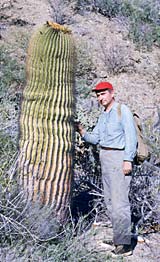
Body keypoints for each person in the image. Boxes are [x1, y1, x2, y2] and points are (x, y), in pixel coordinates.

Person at [76, 81, 137, 257]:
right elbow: (96, 138)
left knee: (120, 203)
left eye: (103, 94)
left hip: (119, 158)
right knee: (110, 201)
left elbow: (131, 137)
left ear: (111, 93)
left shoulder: (122, 110)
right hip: (106, 158)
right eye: (98, 95)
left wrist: (128, 160)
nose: (100, 98)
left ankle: (124, 246)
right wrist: (81, 131)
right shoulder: (103, 115)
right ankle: (119, 238)